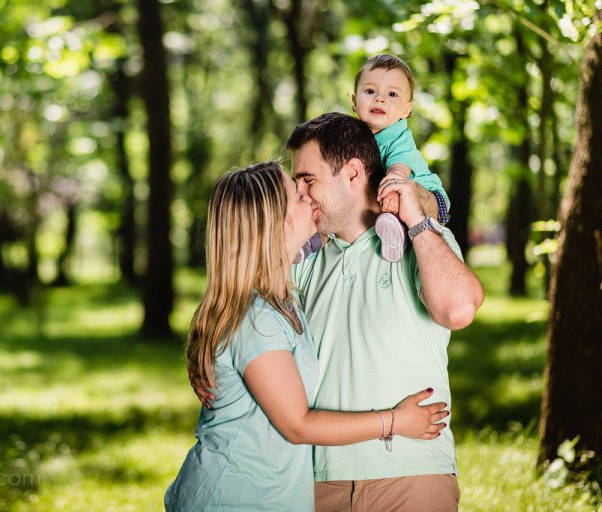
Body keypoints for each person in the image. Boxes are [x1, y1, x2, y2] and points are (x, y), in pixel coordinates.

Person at [166, 161, 450, 511]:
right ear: (272, 224)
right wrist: (395, 421)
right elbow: (298, 424)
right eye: (298, 195)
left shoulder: (284, 299)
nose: (310, 196)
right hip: (233, 497)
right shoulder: (257, 318)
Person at [288, 112, 484, 511]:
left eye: (308, 180)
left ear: (354, 173)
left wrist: (415, 217)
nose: (301, 194)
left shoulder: (423, 240)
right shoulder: (303, 259)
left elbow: (459, 309)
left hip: (411, 473)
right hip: (316, 479)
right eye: (297, 184)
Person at [352, 53, 450, 262]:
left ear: (407, 109)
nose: (379, 98)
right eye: (370, 91)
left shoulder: (399, 136)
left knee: (394, 191)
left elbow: (398, 168)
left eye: (392, 94)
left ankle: (399, 237)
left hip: (430, 196)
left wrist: (394, 180)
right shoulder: (352, 138)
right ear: (354, 100)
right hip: (386, 197)